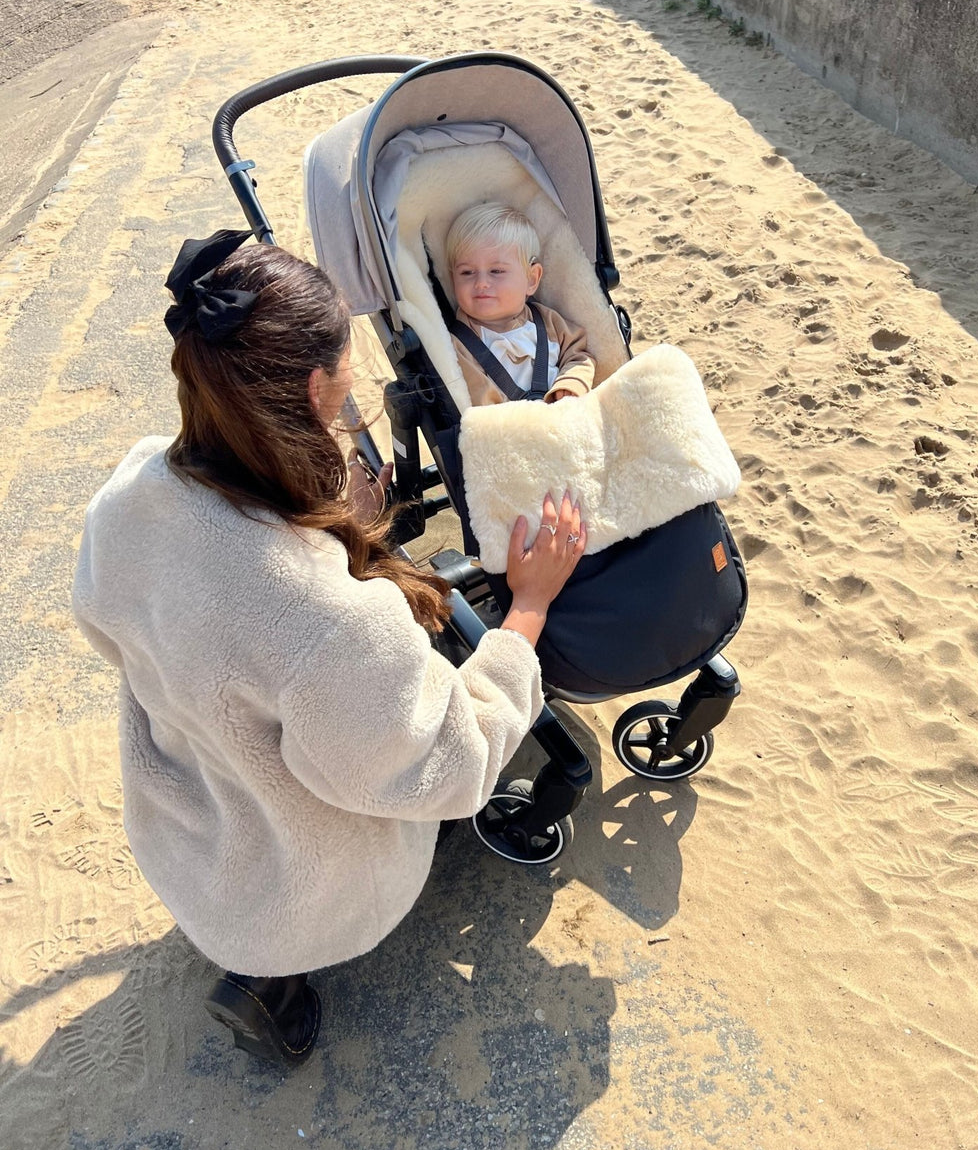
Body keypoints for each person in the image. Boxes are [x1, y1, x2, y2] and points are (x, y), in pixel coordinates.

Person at [71, 230, 586, 1067]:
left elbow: (121, 624)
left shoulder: (130, 494)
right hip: (294, 886)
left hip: (184, 826)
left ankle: (261, 968)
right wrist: (528, 606)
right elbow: (454, 763)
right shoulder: (330, 624)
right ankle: (273, 975)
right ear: (317, 387)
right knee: (446, 773)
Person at [446, 202, 595, 407]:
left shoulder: (549, 323)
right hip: (512, 430)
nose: (481, 283)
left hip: (566, 416)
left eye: (496, 271)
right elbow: (483, 405)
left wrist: (570, 384)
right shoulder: (459, 346)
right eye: (467, 272)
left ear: (532, 279)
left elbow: (578, 355)